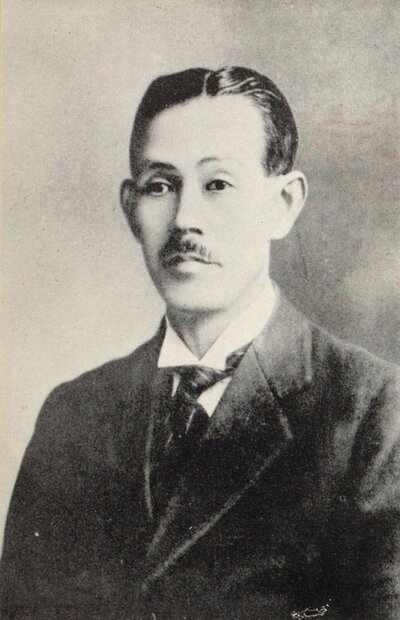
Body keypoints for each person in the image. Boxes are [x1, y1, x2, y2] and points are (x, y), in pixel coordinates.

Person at [1, 66, 399, 620]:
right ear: (130, 208)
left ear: (283, 203)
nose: (185, 220)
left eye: (218, 184)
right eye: (160, 186)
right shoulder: (74, 415)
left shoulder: (373, 412)